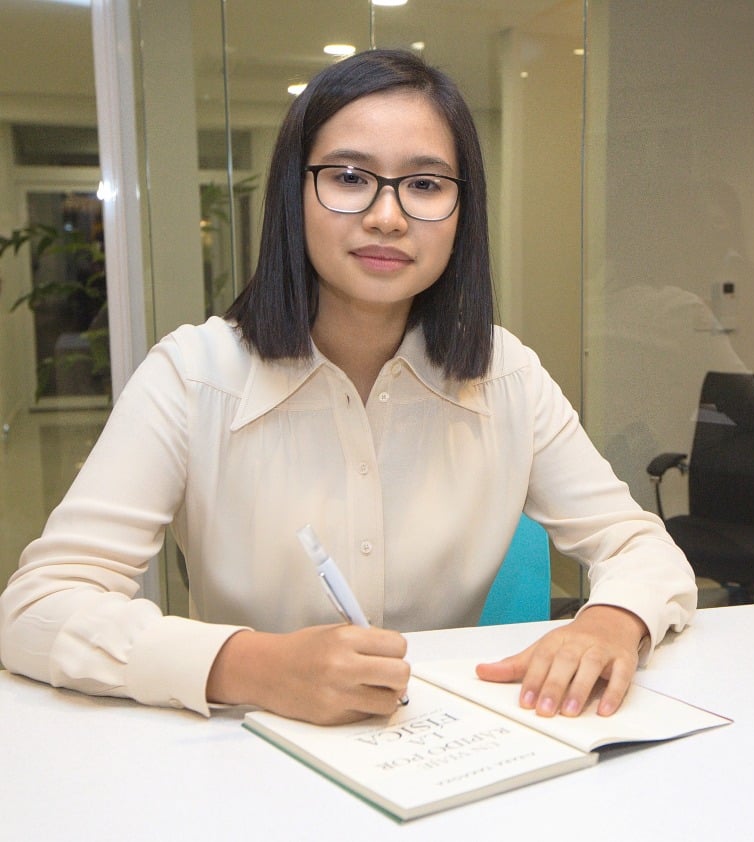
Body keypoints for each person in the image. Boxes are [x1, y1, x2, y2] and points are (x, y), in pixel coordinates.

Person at [0, 49, 696, 726]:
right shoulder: (194, 377)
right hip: (244, 757)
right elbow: (37, 608)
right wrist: (253, 665)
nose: (388, 216)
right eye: (349, 177)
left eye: (424, 184)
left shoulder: (505, 377)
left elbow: (638, 544)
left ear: (462, 212)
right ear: (293, 193)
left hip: (440, 746)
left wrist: (612, 620)